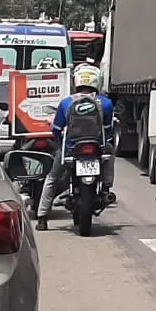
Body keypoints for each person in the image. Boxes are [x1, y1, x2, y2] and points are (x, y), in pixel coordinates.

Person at [35, 63, 117, 231]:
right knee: (110, 156)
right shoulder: (106, 103)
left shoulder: (66, 103)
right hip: (97, 148)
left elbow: (57, 129)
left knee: (52, 177)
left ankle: (42, 218)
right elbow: (108, 131)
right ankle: (107, 187)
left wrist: (61, 141)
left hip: (71, 149)